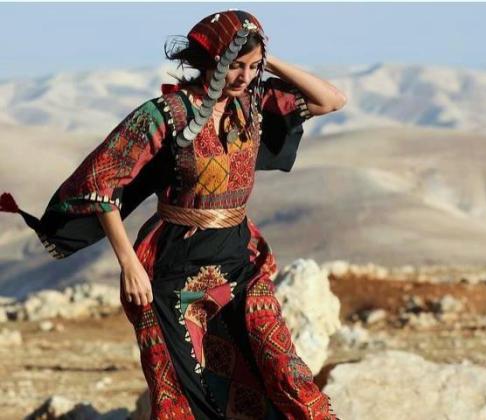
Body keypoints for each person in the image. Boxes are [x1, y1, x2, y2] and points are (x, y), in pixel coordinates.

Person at [1, 9, 346, 419]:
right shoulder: (164, 113)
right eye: (234, 66)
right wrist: (128, 262)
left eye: (252, 68)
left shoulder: (256, 103)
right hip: (172, 266)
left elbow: (332, 100)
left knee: (281, 370)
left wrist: (264, 59)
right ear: (209, 61)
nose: (243, 77)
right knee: (186, 391)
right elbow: (102, 184)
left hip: (239, 258)